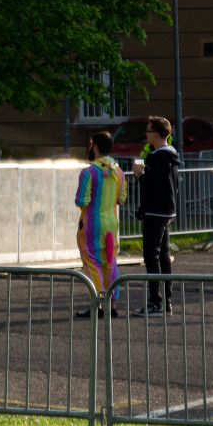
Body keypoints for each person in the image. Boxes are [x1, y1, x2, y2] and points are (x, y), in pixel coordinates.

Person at [74, 131, 126, 319]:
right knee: (110, 262)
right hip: (111, 225)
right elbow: (122, 199)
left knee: (92, 263)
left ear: (95, 147)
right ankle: (112, 304)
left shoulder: (88, 172)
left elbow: (82, 200)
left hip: (91, 226)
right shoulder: (118, 171)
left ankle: (97, 303)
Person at [133, 117, 178, 318]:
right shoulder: (170, 155)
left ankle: (156, 303)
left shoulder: (159, 157)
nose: (146, 134)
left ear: (157, 134)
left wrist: (139, 174)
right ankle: (165, 302)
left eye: (149, 130)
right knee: (163, 257)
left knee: (152, 257)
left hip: (156, 212)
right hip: (166, 211)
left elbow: (151, 187)